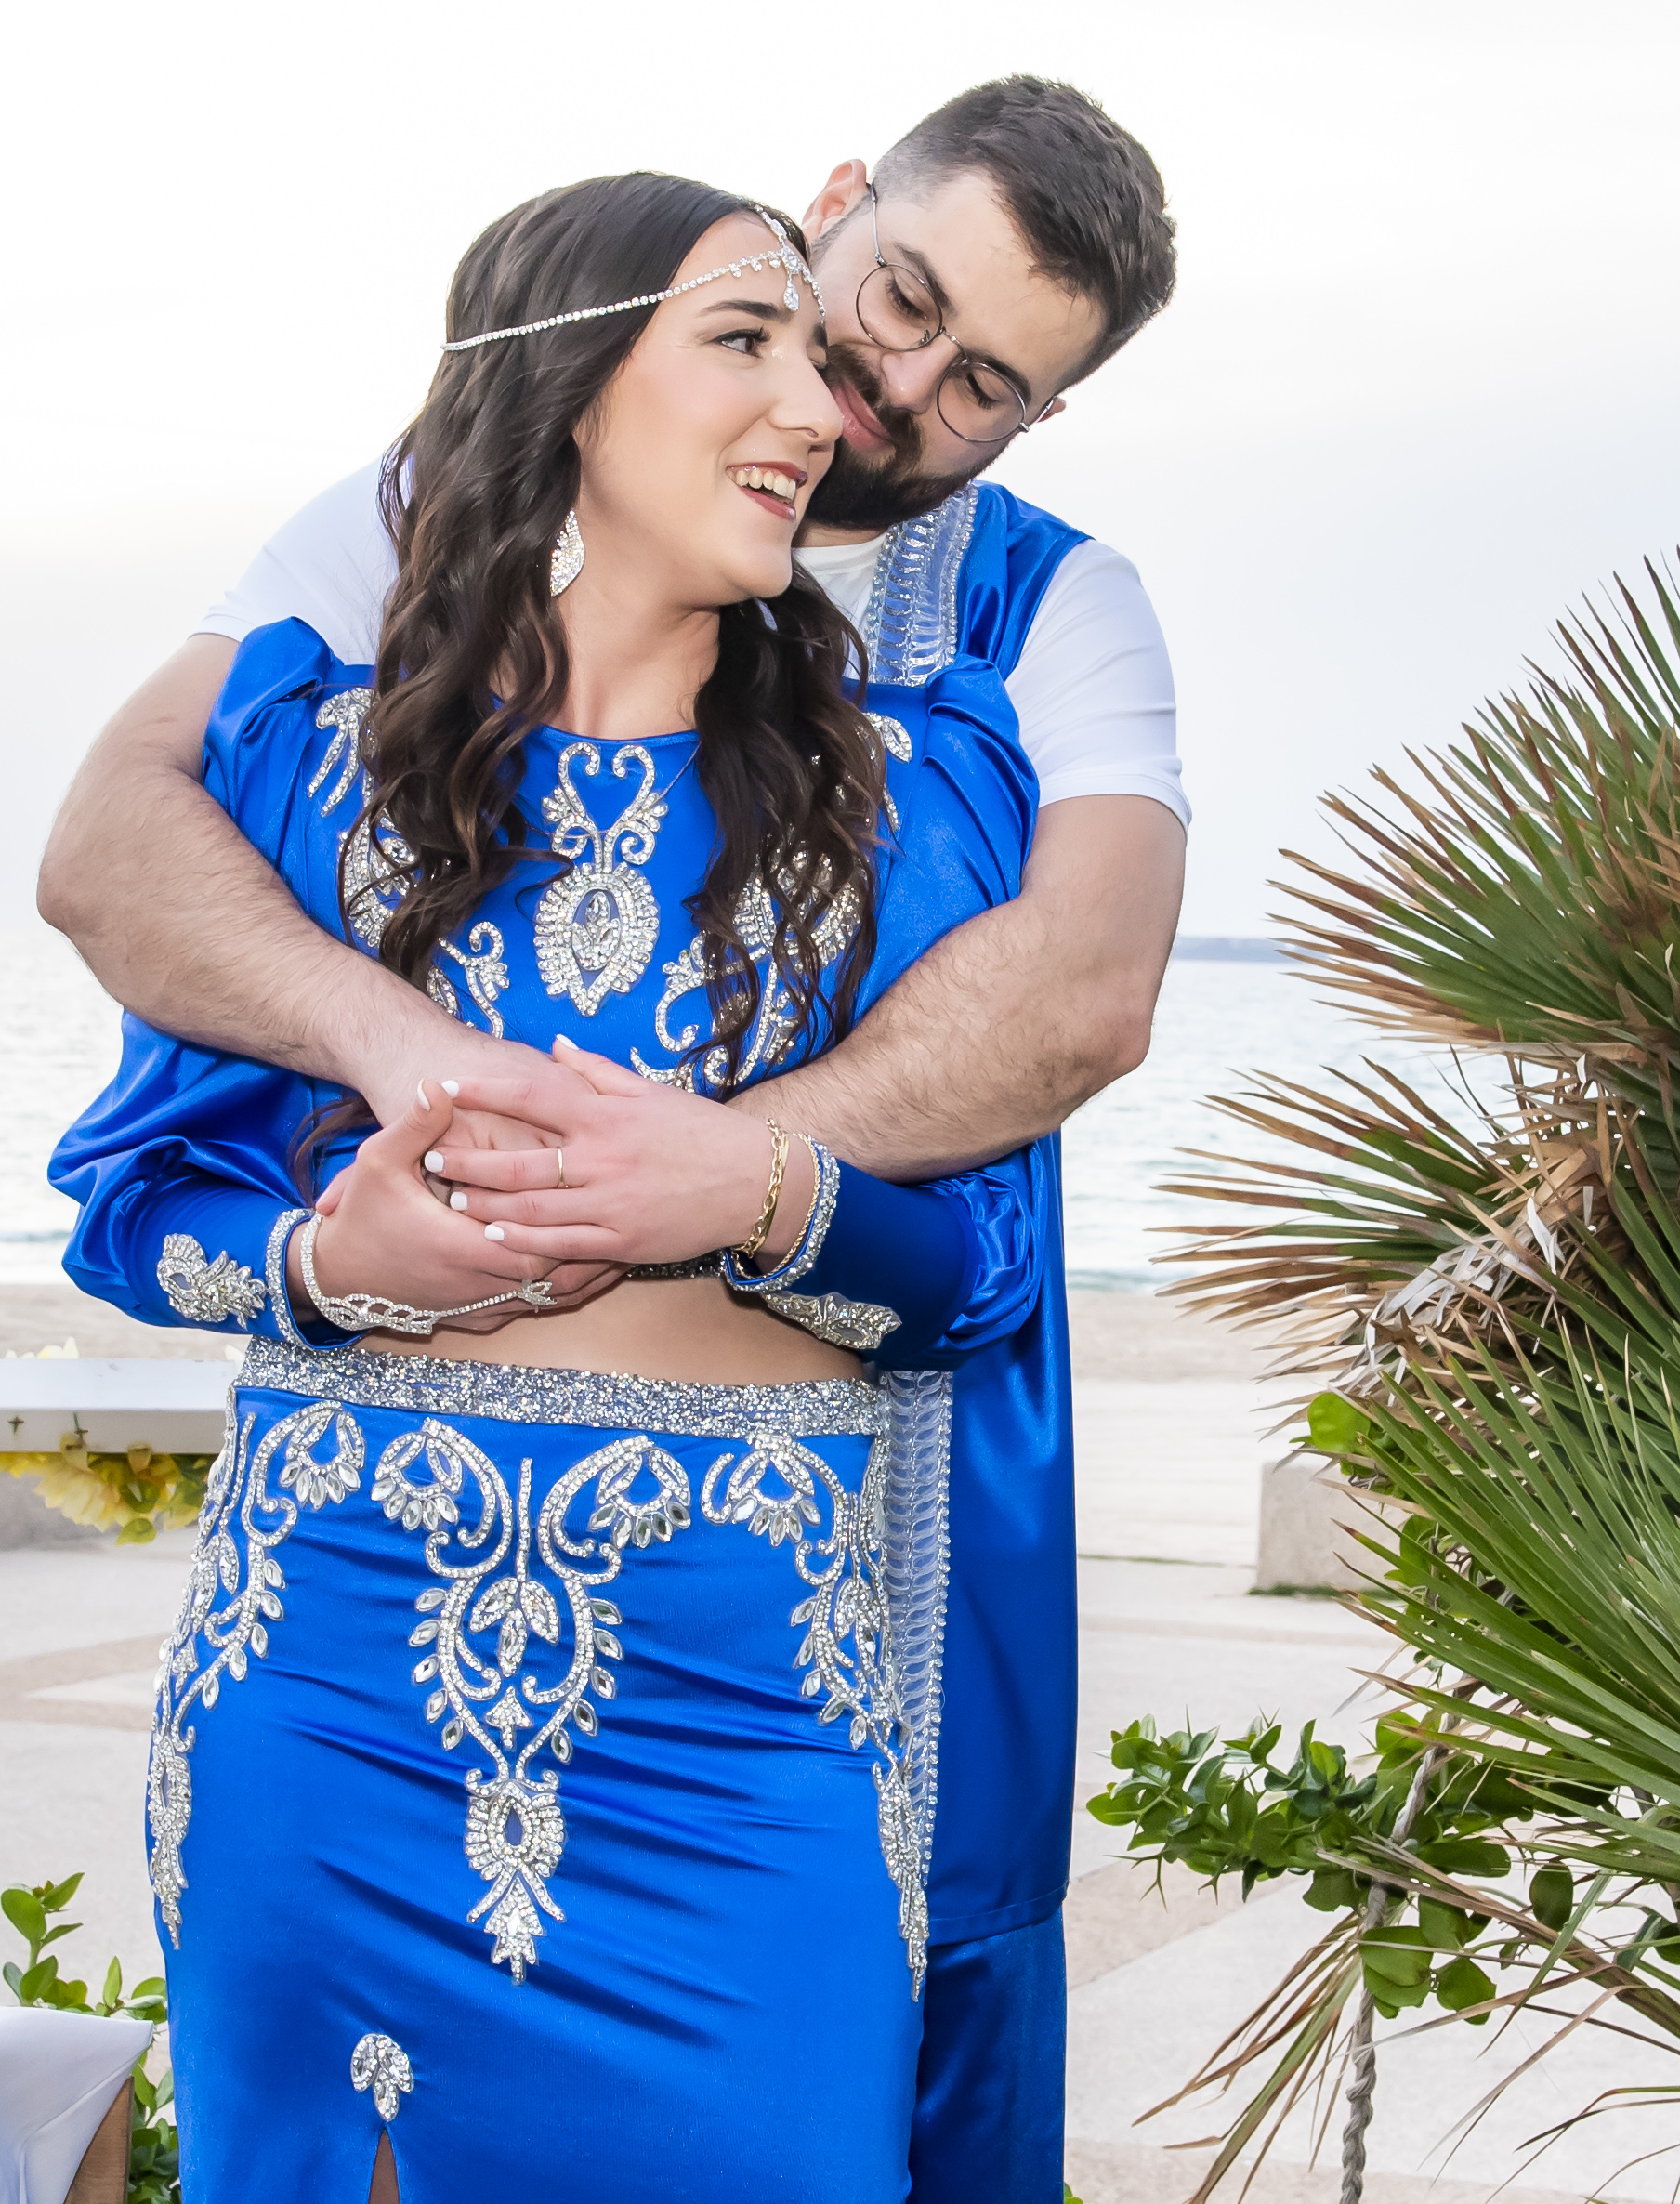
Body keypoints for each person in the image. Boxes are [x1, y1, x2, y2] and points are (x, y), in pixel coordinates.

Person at [40, 78, 1188, 2200]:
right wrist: (348, 1206)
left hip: (754, 1717)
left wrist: (728, 1180)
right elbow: (123, 968)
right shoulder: (328, 714)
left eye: (986, 386)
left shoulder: (954, 744)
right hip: (330, 1694)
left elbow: (1070, 1032)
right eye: (872, 308)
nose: (873, 393)